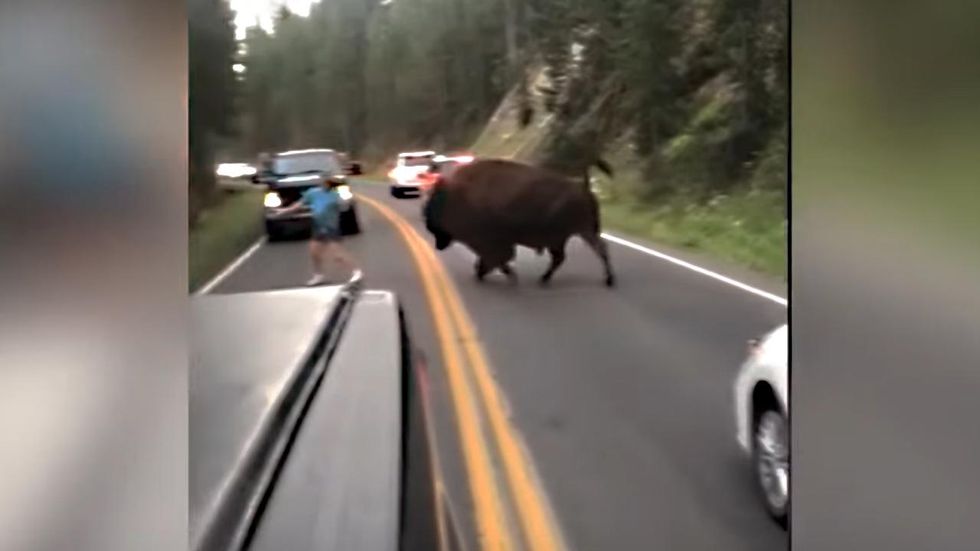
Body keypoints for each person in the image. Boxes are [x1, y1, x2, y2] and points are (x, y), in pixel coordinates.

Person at [274, 179, 361, 286]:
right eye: (324, 183)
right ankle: (319, 275)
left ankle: (356, 272)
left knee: (337, 255)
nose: (325, 185)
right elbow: (298, 205)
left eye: (329, 184)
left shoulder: (335, 196)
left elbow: (345, 206)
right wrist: (282, 211)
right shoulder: (312, 193)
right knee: (314, 253)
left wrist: (345, 200)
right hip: (318, 226)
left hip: (331, 227)